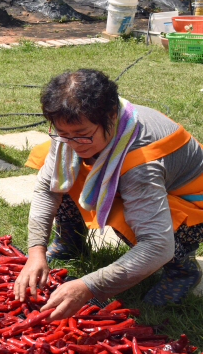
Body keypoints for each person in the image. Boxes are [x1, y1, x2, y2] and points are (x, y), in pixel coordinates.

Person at [15, 68, 203, 321]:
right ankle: (69, 241)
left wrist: (89, 286)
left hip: (193, 208)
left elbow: (157, 244)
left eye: (81, 135)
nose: (71, 142)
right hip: (149, 186)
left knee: (124, 217)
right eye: (63, 133)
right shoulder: (81, 128)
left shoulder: (141, 162)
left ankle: (182, 270)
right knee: (62, 170)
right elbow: (48, 188)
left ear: (110, 116)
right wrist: (35, 250)